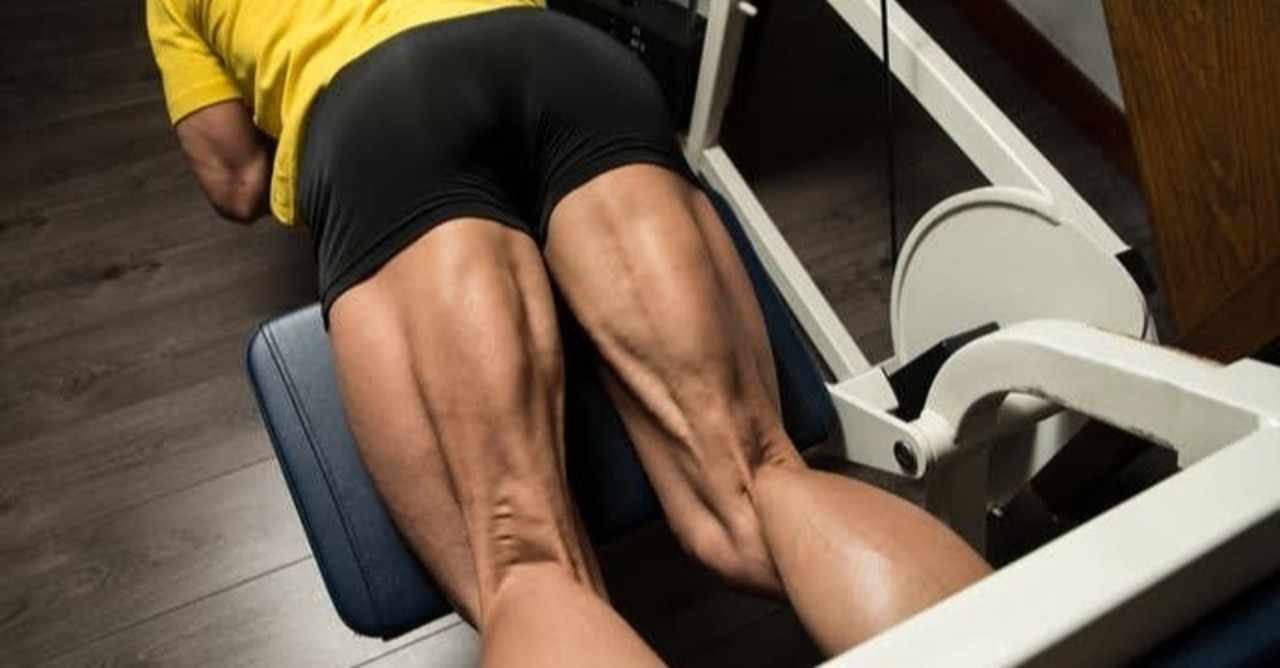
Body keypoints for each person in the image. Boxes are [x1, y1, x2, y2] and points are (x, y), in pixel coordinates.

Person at [147, 0, 991, 664]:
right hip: (563, 64)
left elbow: (236, 180)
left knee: (526, 565)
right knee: (757, 478)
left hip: (380, 116)